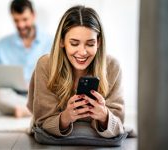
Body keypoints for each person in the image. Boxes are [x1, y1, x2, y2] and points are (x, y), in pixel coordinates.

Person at [27, 5, 125, 142]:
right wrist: (66, 117)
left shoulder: (112, 66)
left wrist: (104, 116)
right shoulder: (46, 65)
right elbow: (42, 121)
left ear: (98, 42)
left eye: (90, 44)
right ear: (62, 41)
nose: (82, 52)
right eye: (74, 43)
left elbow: (119, 123)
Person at [0, 0, 52, 118]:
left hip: (41, 93)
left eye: (24, 19)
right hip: (15, 94)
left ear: (33, 16)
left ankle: (27, 110)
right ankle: (35, 110)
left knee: (55, 96)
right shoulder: (2, 44)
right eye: (16, 20)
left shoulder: (51, 42)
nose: (21, 25)